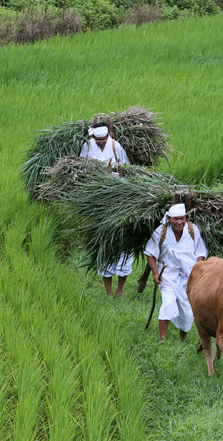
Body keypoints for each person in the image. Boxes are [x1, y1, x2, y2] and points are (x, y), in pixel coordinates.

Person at [80, 122, 132, 296]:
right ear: (93, 137)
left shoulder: (116, 147)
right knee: (104, 243)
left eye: (104, 140)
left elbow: (127, 171)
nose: (101, 143)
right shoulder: (87, 146)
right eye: (98, 141)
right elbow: (81, 169)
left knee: (123, 245)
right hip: (97, 199)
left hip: (117, 198)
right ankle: (108, 291)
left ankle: (119, 289)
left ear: (108, 136)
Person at [144, 203, 207, 343]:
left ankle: (182, 339)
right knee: (168, 303)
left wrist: (198, 271)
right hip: (167, 275)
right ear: (168, 218)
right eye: (175, 219)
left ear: (186, 218)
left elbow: (200, 252)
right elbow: (150, 254)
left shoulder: (192, 230)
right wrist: (155, 273)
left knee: (187, 309)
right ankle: (162, 339)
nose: (179, 222)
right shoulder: (161, 232)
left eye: (182, 218)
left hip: (189, 276)